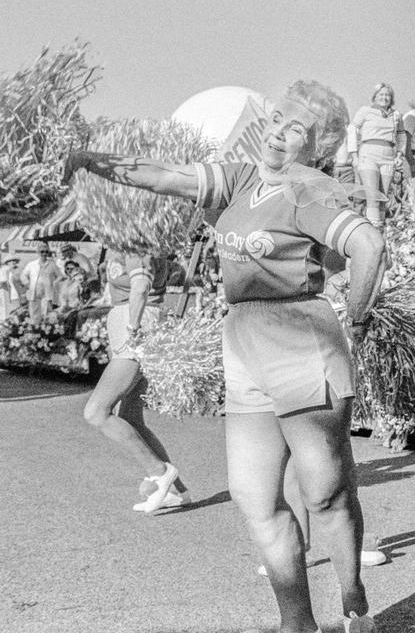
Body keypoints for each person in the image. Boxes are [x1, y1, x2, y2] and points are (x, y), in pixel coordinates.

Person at [67, 80, 386, 633]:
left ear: (317, 147)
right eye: (278, 118)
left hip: (301, 337)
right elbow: (162, 175)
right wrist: (86, 159)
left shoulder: (312, 190)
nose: (280, 134)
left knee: (325, 492)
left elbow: (369, 246)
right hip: (242, 339)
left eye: (297, 130)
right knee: (255, 497)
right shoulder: (237, 179)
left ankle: (353, 602)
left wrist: (356, 316)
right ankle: (297, 623)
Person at [82, 251, 189, 512]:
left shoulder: (139, 247)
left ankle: (160, 472)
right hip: (133, 323)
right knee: (130, 416)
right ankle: (176, 491)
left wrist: (132, 329)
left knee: (96, 412)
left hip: (138, 325)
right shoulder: (126, 245)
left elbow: (140, 287)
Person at [348, 83, 402, 227]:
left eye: (387, 95)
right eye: (381, 95)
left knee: (384, 197)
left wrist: (400, 154)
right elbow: (352, 129)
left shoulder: (396, 115)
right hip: (369, 154)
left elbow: (401, 135)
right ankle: (373, 227)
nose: (384, 98)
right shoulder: (365, 111)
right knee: (373, 195)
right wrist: (354, 155)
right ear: (375, 97)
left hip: (388, 156)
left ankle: (383, 230)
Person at [22, 243, 61, 323]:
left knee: (47, 313)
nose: (44, 254)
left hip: (47, 292)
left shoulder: (52, 264)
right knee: (34, 313)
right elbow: (23, 275)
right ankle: (35, 331)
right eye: (42, 251)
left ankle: (46, 332)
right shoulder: (31, 264)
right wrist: (27, 284)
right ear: (38, 252)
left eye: (46, 252)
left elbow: (60, 276)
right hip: (34, 292)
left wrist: (54, 283)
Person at [0, 252, 27, 319]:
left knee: (21, 315)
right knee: (14, 316)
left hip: (19, 296)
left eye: (14, 260)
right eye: (10, 261)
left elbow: (25, 283)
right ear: (7, 263)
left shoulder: (19, 270)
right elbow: (6, 284)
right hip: (11, 297)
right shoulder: (7, 272)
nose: (13, 262)